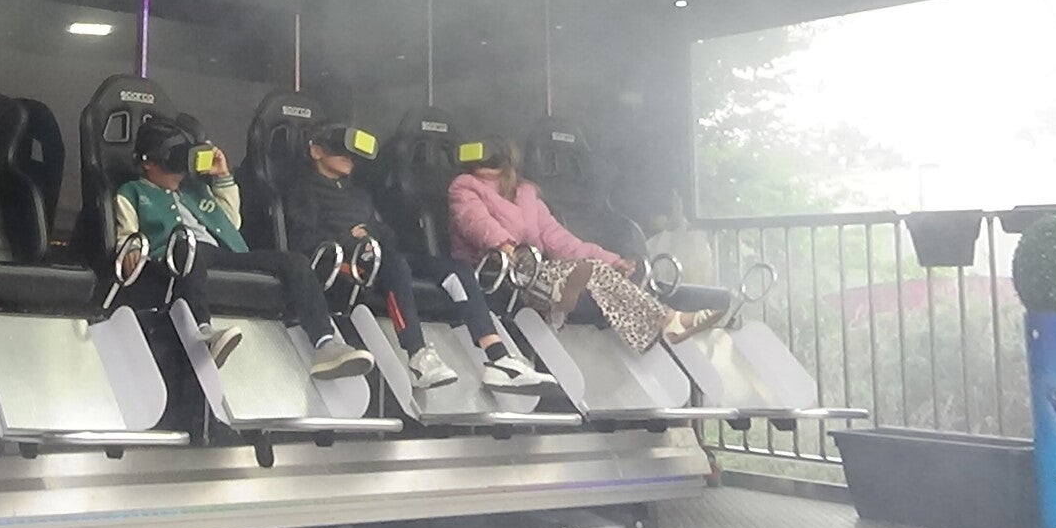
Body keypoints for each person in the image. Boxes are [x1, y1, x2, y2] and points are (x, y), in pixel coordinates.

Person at [284, 123, 555, 393]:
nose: (348, 158)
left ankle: (498, 359)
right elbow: (303, 240)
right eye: (340, 152)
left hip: (378, 254)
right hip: (343, 262)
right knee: (395, 264)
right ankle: (418, 357)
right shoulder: (301, 190)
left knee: (457, 269)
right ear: (316, 152)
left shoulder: (358, 193)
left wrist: (370, 233)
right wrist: (348, 237)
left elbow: (386, 234)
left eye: (351, 154)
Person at [115, 119, 374, 379]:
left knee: (295, 262)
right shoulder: (132, 192)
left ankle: (325, 344)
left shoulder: (196, 189)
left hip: (225, 253)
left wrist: (222, 177)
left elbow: (232, 222)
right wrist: (132, 250)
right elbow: (126, 234)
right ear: (148, 164)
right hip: (177, 255)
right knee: (188, 246)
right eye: (170, 166)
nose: (178, 174)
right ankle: (203, 332)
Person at [446, 137, 726, 353]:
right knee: (581, 271)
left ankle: (560, 294)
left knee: (595, 268)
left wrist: (612, 260)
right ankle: (667, 321)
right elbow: (476, 222)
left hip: (532, 270)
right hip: (495, 272)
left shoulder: (526, 194)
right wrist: (505, 246)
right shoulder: (464, 187)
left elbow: (561, 240)